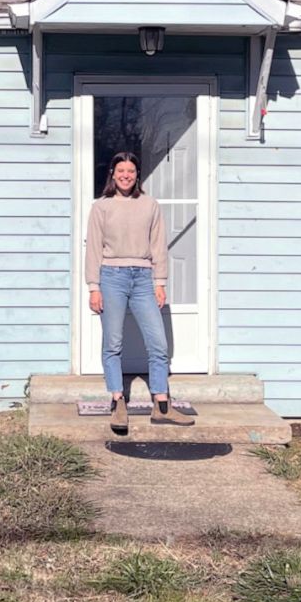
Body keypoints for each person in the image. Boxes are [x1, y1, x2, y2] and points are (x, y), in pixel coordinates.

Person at [86, 151, 194, 434]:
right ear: (112, 173)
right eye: (120, 170)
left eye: (131, 171)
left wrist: (160, 281)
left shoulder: (149, 205)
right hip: (111, 277)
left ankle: (161, 405)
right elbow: (93, 249)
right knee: (113, 343)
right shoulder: (102, 207)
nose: (125, 175)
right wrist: (93, 288)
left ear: (137, 175)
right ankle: (117, 401)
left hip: (144, 278)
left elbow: (158, 245)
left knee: (158, 344)